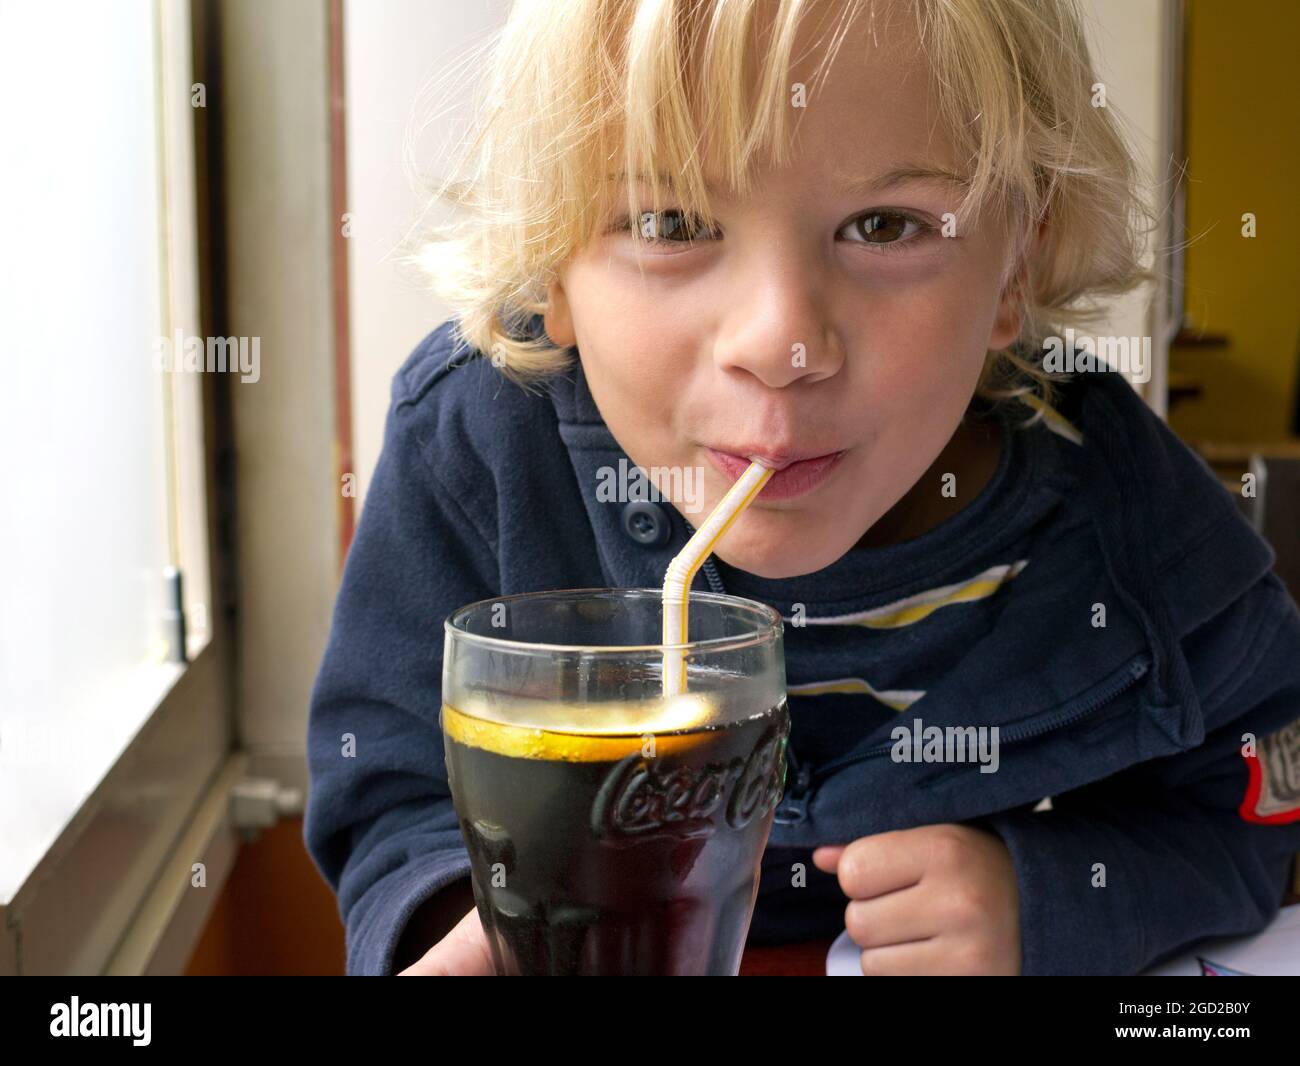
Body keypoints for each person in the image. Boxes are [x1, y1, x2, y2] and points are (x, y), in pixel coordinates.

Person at [303, 0, 1300, 975]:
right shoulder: (477, 444)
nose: (781, 346)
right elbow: (387, 788)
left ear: (1014, 265)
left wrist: (1047, 896)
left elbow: (1259, 805)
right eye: (670, 219)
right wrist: (481, 926)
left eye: (883, 224)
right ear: (553, 263)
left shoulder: (1122, 508)